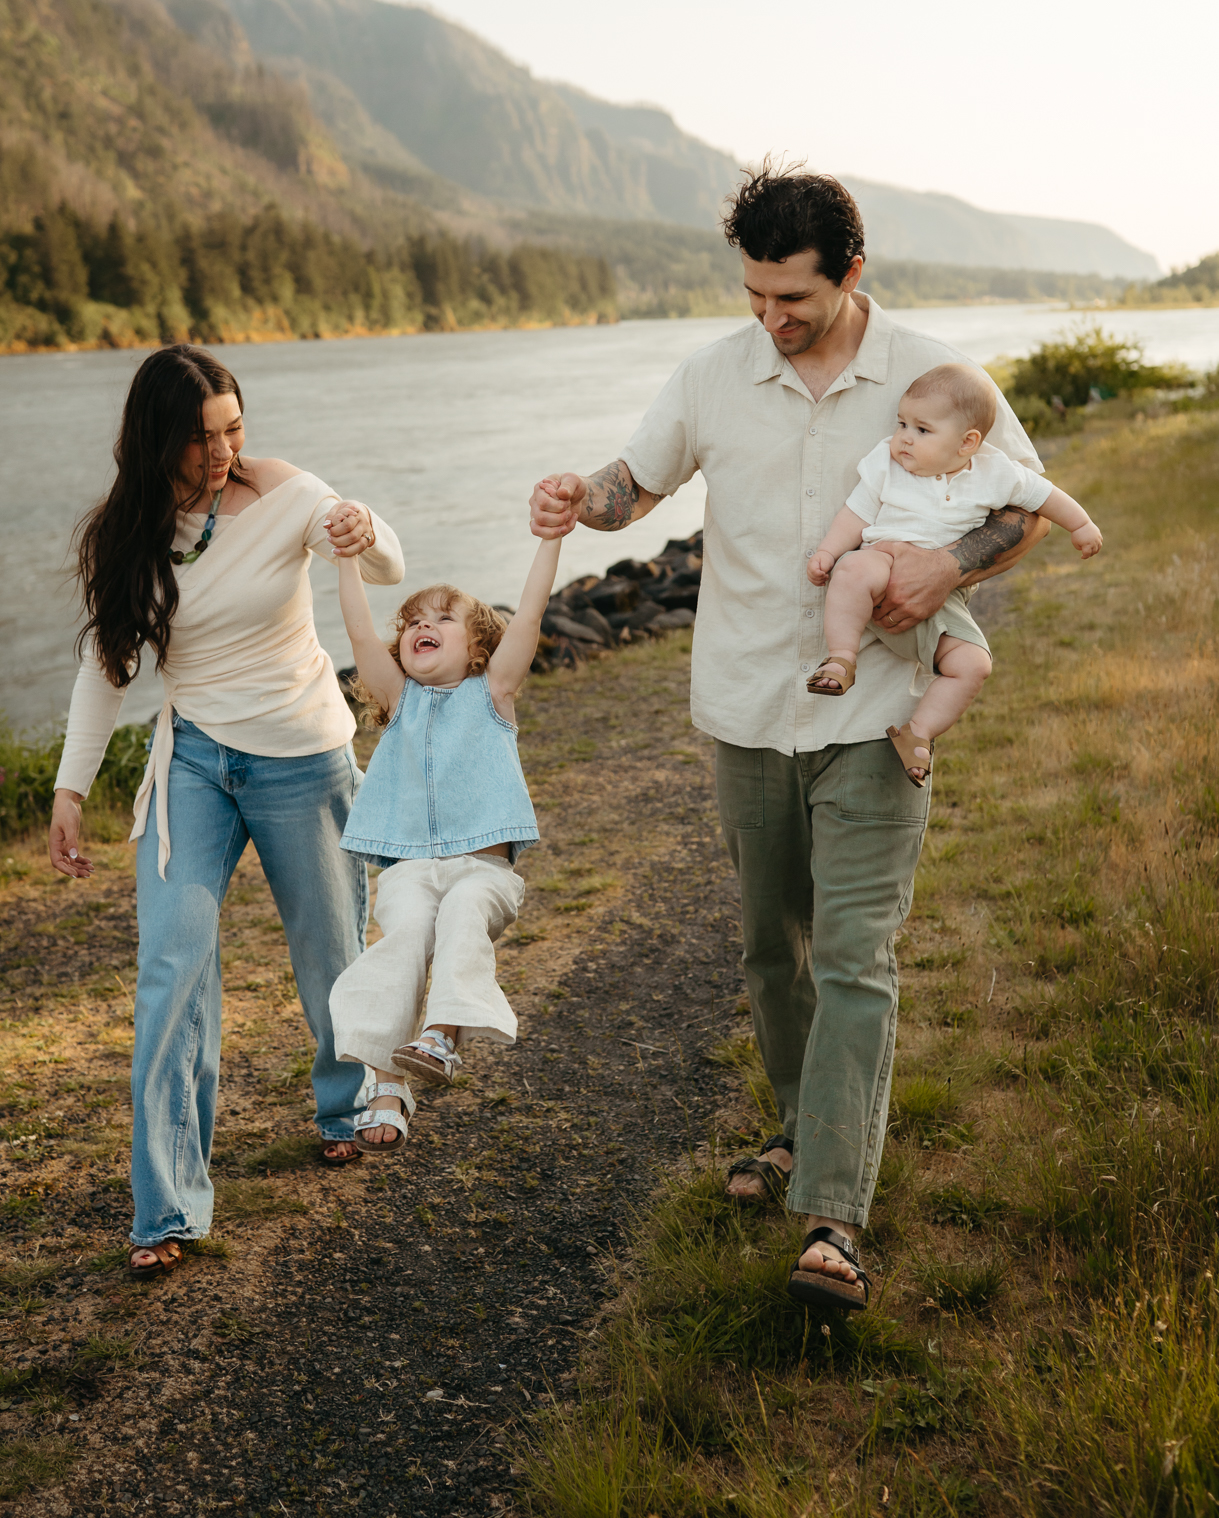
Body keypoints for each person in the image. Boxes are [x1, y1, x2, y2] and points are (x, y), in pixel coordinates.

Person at [529, 160, 1050, 1315]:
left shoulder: (932, 373)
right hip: (747, 707)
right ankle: (794, 1122)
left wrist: (941, 564)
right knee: (775, 952)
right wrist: (581, 494)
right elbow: (634, 483)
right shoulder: (713, 372)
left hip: (875, 711)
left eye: (793, 299)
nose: (770, 319)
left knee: (857, 954)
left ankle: (831, 1215)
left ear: (851, 273)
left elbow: (1021, 503)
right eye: (754, 295)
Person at [48, 344, 404, 1277]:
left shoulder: (286, 492)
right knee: (171, 969)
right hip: (194, 765)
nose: (224, 450)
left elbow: (389, 559)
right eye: (204, 435)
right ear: (157, 438)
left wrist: (364, 528)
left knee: (332, 950)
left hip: (302, 753)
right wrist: (69, 790)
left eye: (234, 427)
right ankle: (165, 1209)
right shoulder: (128, 534)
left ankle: (345, 1104)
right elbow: (104, 670)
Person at [325, 534, 562, 1149]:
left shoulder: (494, 696)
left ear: (480, 648)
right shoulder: (400, 700)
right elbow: (356, 635)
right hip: (411, 871)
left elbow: (530, 615)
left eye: (442, 619)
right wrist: (345, 559)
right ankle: (385, 1086)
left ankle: (443, 1036)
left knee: (460, 916)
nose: (421, 626)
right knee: (400, 944)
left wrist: (550, 541)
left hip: (483, 874)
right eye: (411, 622)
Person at [806, 359, 1103, 783]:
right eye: (902, 424)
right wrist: (828, 552)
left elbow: (1045, 497)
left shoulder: (994, 472)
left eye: (922, 430)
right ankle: (840, 659)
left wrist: (1082, 524)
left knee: (975, 664)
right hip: (883, 561)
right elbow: (855, 514)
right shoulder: (885, 466)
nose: (904, 438)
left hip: (943, 597)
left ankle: (918, 733)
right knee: (853, 568)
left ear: (967, 443)